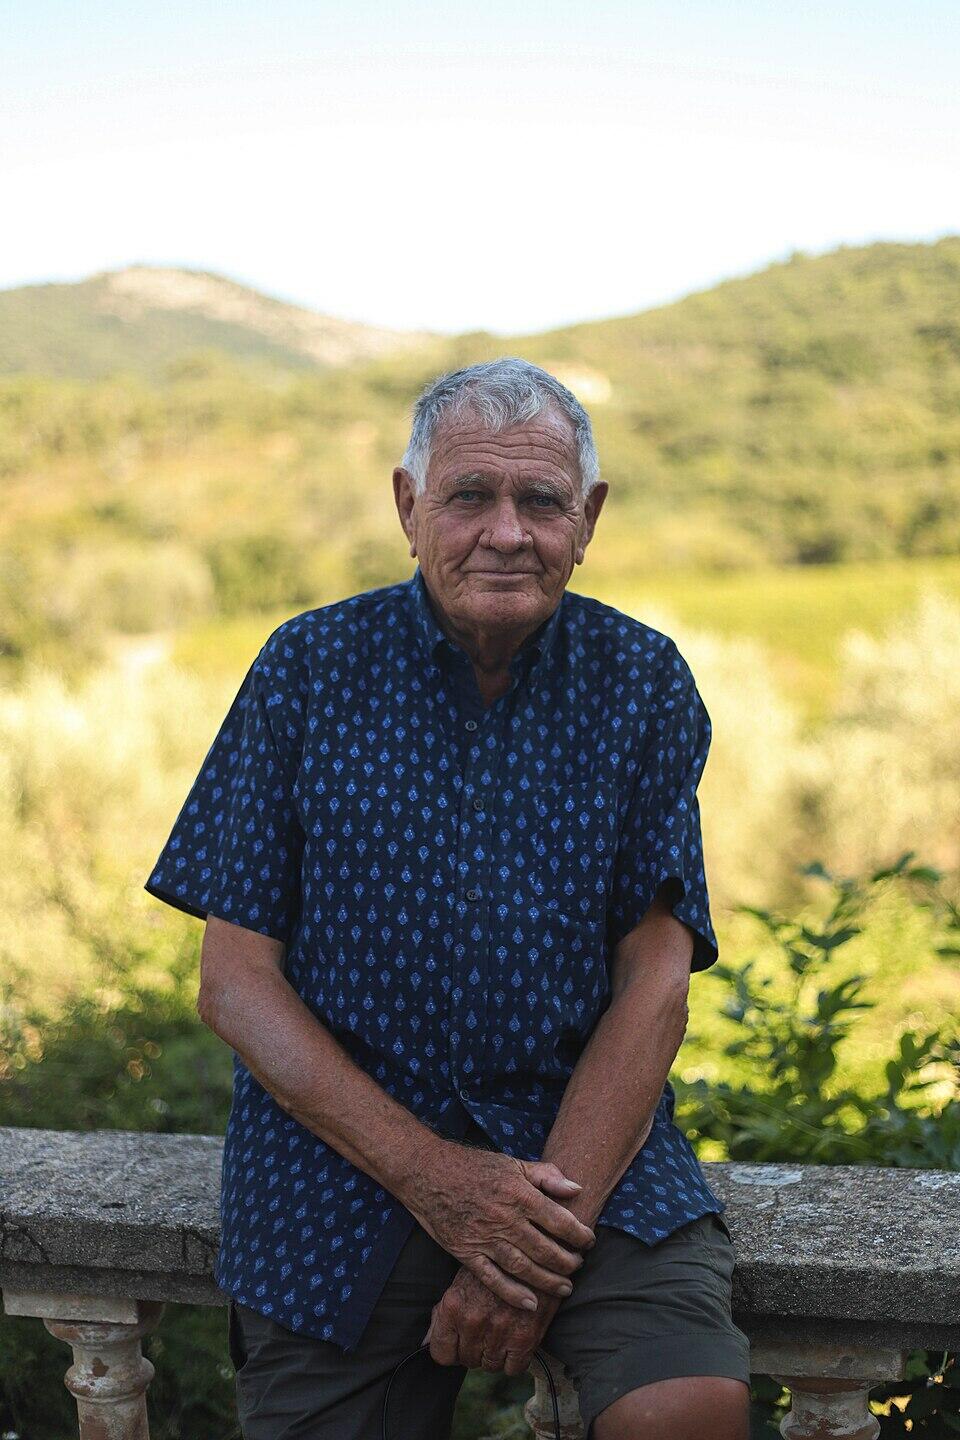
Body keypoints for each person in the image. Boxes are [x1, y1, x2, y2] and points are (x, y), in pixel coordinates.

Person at [145, 357, 751, 1439]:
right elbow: (235, 983)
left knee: (686, 1408)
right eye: (471, 495)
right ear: (408, 506)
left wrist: (530, 1243)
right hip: (341, 1162)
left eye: (542, 502)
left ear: (588, 520)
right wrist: (440, 1182)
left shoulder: (643, 681)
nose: (507, 533)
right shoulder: (306, 669)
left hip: (581, 1149)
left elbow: (655, 982)